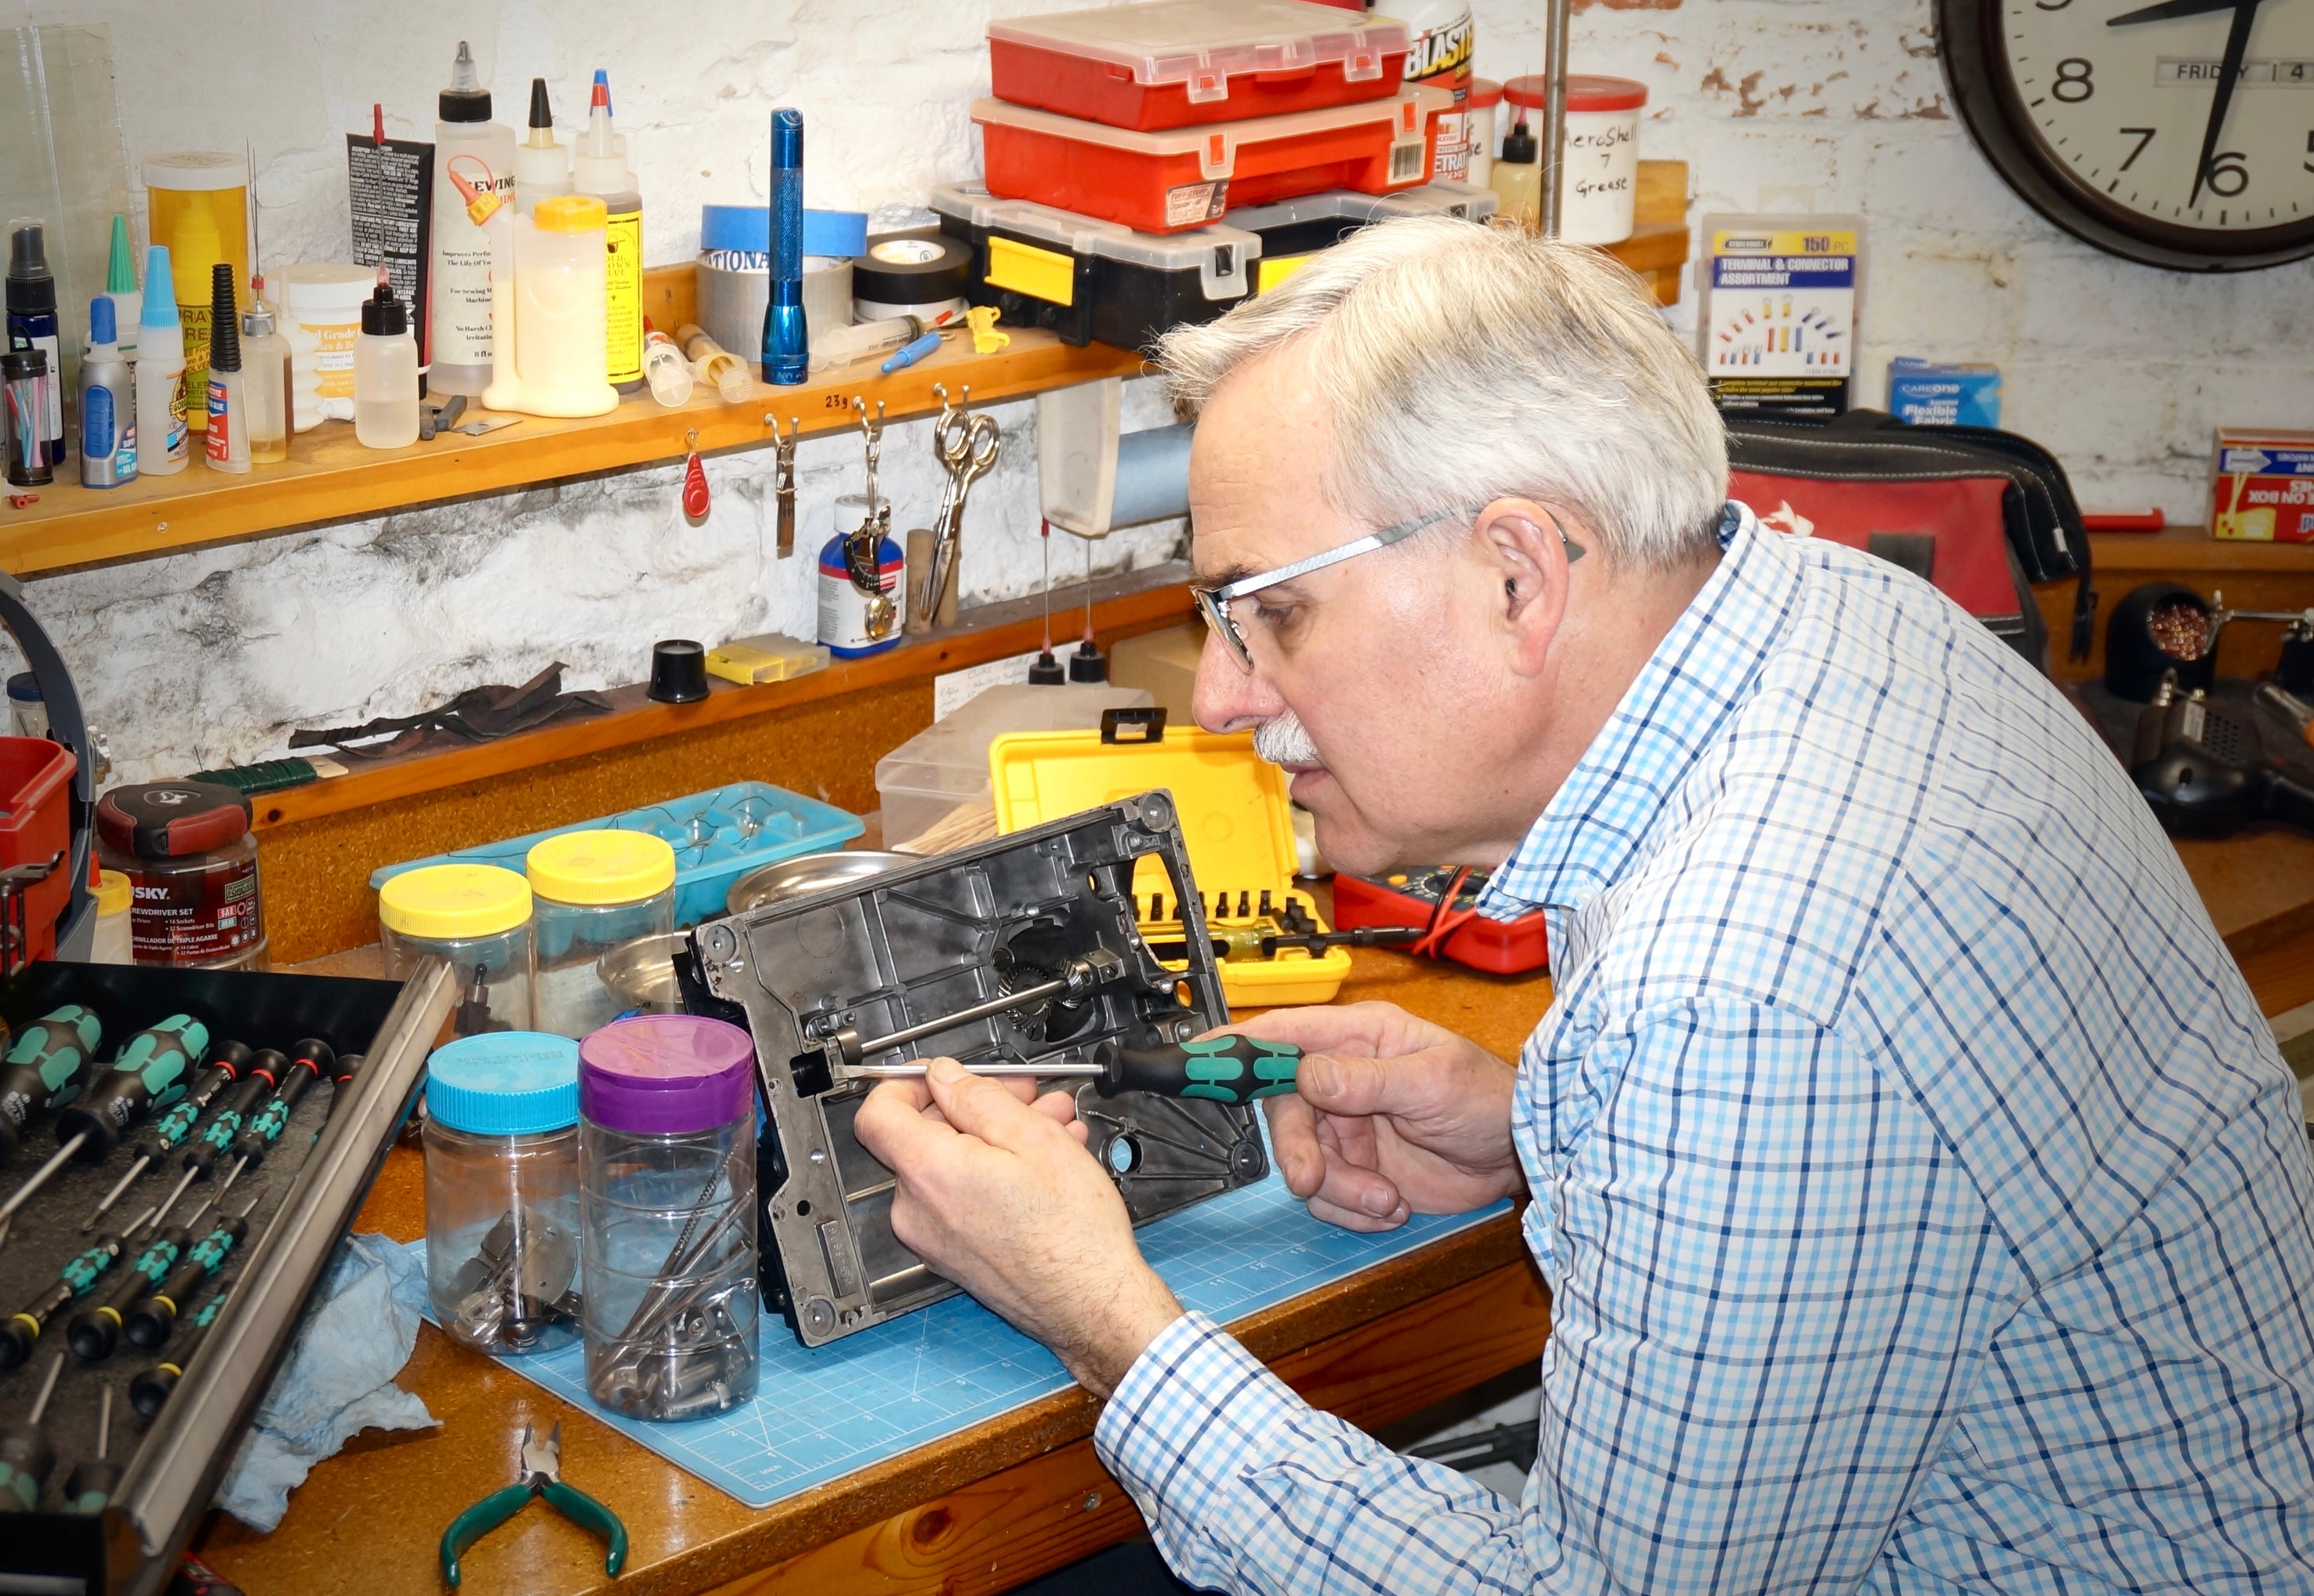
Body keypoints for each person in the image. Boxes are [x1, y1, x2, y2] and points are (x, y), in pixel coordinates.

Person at [855, 216, 2314, 1593]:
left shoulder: (1734, 995)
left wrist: (1097, 1310)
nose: (1228, 699)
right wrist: (1542, 1128)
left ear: (1517, 572)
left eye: (1271, 612)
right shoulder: (1848, 612)